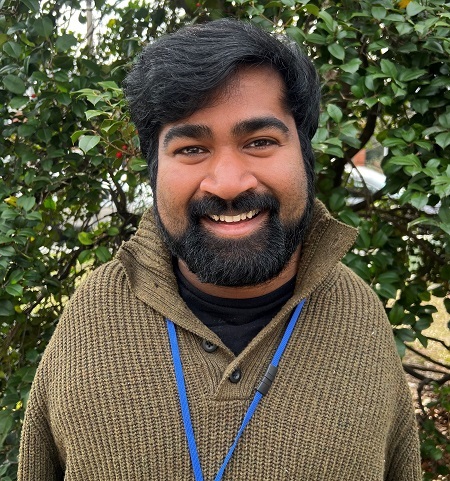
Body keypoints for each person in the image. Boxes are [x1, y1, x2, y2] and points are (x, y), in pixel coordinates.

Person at [18, 18, 421, 481]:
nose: (228, 183)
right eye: (191, 148)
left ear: (306, 156)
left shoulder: (360, 319)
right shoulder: (89, 321)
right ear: (154, 171)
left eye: (260, 142)